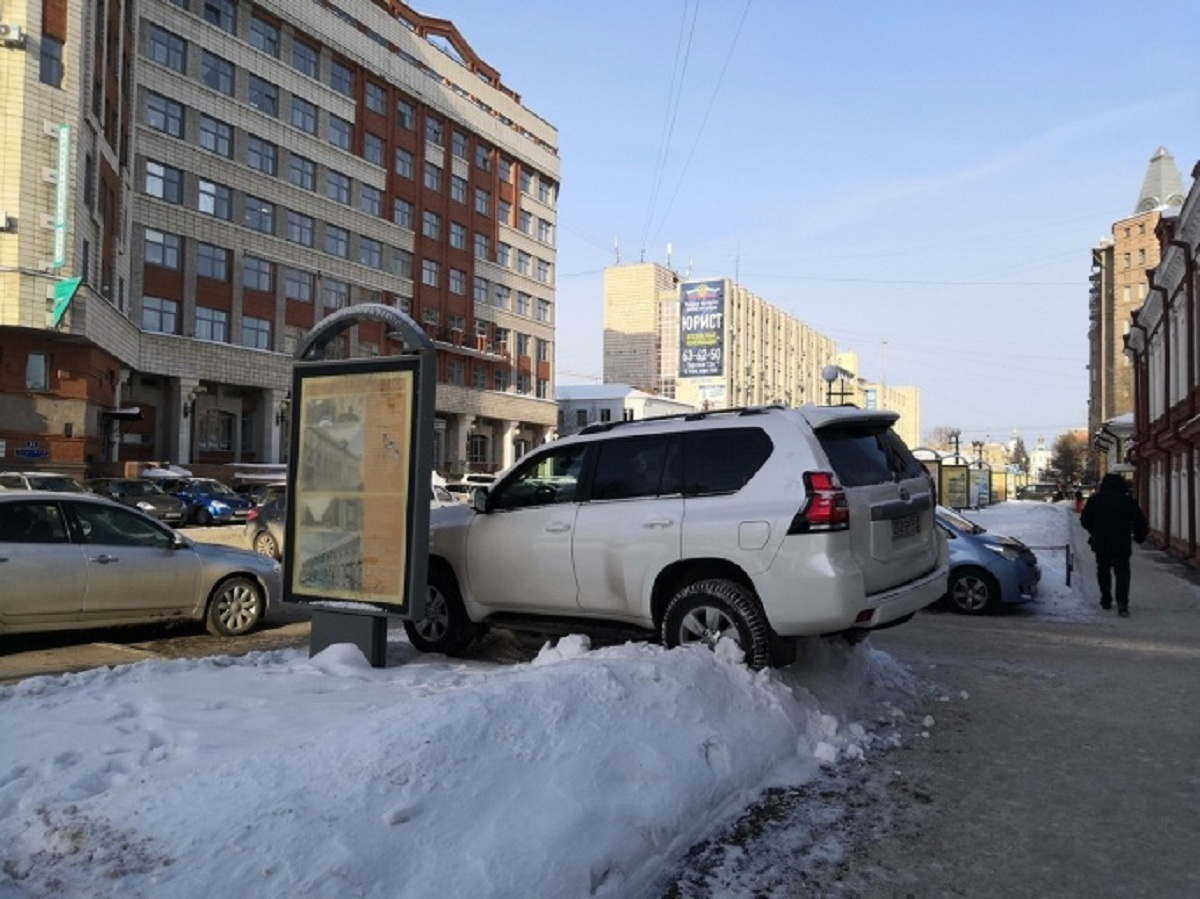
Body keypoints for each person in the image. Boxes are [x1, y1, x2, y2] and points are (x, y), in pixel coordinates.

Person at [1080, 473, 1148, 617]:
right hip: (1121, 542)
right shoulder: (1127, 501)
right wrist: (1139, 536)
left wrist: (1095, 530)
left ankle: (1106, 598)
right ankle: (1122, 603)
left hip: (1101, 542)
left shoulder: (1095, 500)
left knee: (1103, 570)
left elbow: (1085, 520)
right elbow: (1139, 521)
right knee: (1122, 572)